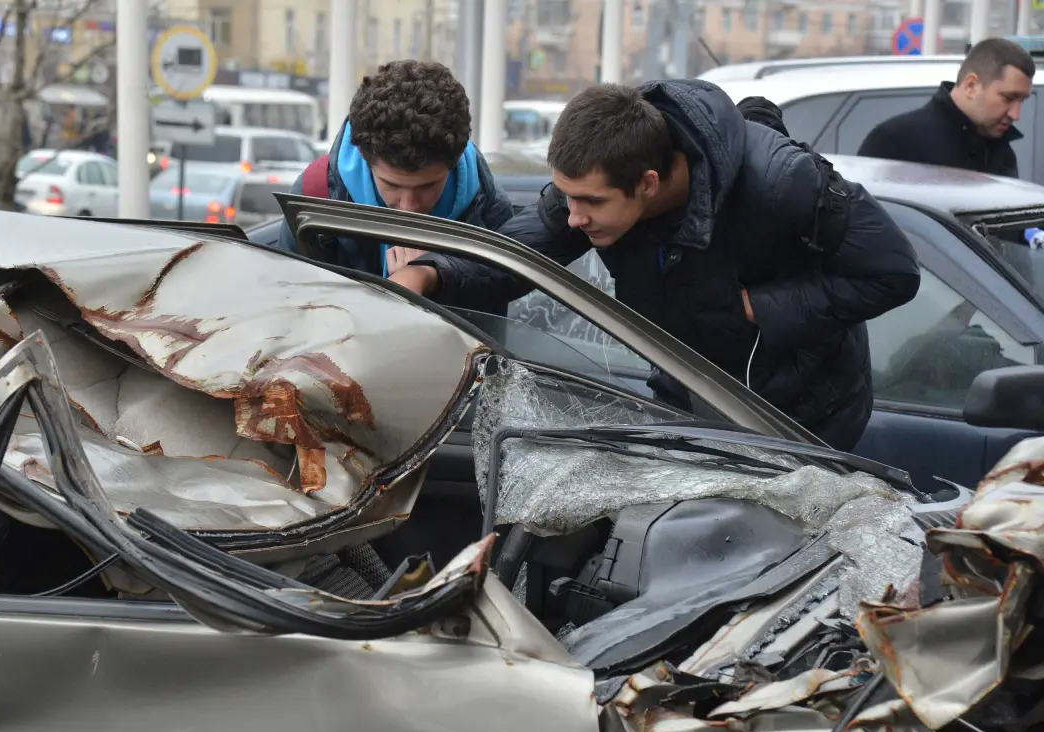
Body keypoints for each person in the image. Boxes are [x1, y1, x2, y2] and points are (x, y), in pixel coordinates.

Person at [388, 81, 922, 451]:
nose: (572, 218)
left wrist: (761, 308)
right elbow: (520, 254)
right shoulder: (607, 161)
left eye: (590, 203)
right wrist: (430, 273)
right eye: (565, 196)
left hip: (803, 420)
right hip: (686, 404)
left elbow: (894, 272)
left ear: (647, 183)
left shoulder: (784, 185)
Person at [277, 60, 512, 278]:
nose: (409, 208)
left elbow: (494, 312)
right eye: (391, 185)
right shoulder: (314, 198)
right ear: (363, 155)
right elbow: (291, 307)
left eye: (428, 186)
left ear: (456, 160)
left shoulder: (489, 209)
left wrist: (438, 281)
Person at [858, 37, 1034, 178]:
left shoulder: (1001, 153)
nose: (1015, 114)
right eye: (1008, 98)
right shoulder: (895, 142)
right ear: (970, 86)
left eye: (1021, 101)